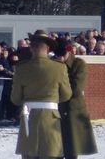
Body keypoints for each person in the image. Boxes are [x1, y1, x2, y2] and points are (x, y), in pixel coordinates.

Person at [10, 29, 72, 159]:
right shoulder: (59, 67)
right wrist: (51, 100)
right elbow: (66, 94)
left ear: (31, 48)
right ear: (48, 48)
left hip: (29, 118)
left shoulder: (22, 68)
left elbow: (15, 98)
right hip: (51, 119)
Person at [54, 38, 97, 158]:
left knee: (71, 149)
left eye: (62, 54)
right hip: (56, 110)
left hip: (73, 110)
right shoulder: (54, 64)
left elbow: (76, 89)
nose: (59, 58)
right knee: (55, 149)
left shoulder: (79, 64)